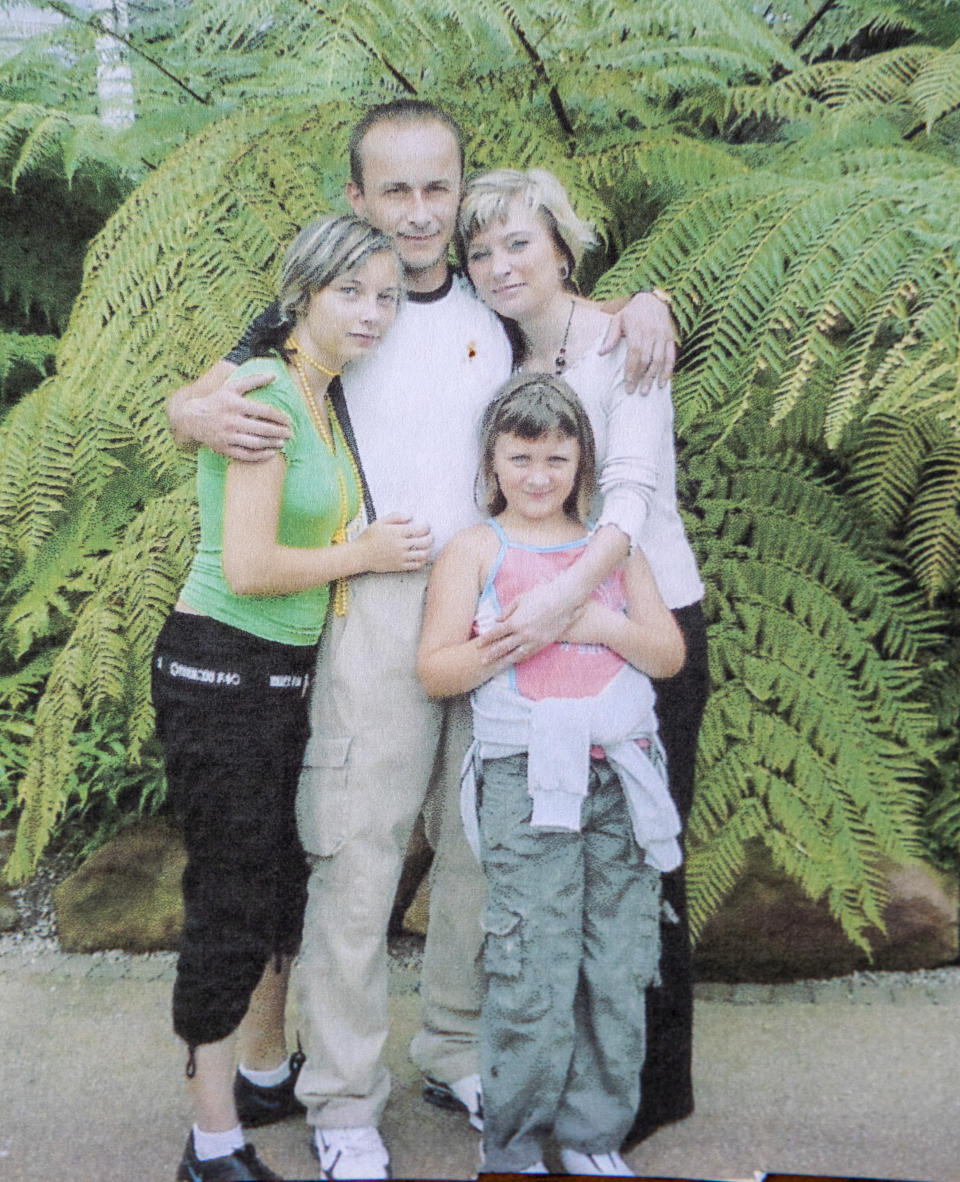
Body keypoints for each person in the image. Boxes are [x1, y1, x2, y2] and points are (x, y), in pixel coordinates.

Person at [165, 99, 678, 1181]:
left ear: (460, 188)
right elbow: (222, 388)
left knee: (482, 851)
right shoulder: (345, 306)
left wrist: (646, 303)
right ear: (356, 199)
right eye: (392, 189)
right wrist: (187, 408)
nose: (418, 210)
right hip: (377, 605)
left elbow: (575, 313)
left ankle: (453, 1046)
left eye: (436, 187)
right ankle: (343, 1096)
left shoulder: (492, 311)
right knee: (355, 858)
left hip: (500, 596)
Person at [151, 215, 428, 1182]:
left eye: (387, 296)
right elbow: (251, 563)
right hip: (219, 671)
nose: (372, 312)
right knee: (227, 899)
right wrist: (368, 552)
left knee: (276, 886)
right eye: (350, 292)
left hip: (279, 680)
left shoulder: (322, 393)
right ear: (302, 294)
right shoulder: (266, 391)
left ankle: (264, 1072)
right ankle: (211, 1139)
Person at [457, 167, 709, 1147]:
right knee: (558, 869)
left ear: (562, 247)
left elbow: (633, 493)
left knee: (645, 857)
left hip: (639, 623)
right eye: (482, 252)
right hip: (534, 638)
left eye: (519, 243)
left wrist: (569, 596)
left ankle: (647, 1093)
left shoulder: (624, 341)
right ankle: (560, 1087)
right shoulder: (494, 360)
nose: (499, 264)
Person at [417, 374, 686, 1176]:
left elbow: (667, 654)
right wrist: (514, 641)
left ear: (584, 462)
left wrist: (593, 619)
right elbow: (436, 669)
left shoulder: (612, 546)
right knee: (532, 957)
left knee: (616, 957)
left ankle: (593, 1133)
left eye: (557, 459)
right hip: (527, 778)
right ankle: (514, 1142)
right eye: (521, 457)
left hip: (622, 778)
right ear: (492, 461)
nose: (539, 477)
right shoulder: (475, 550)